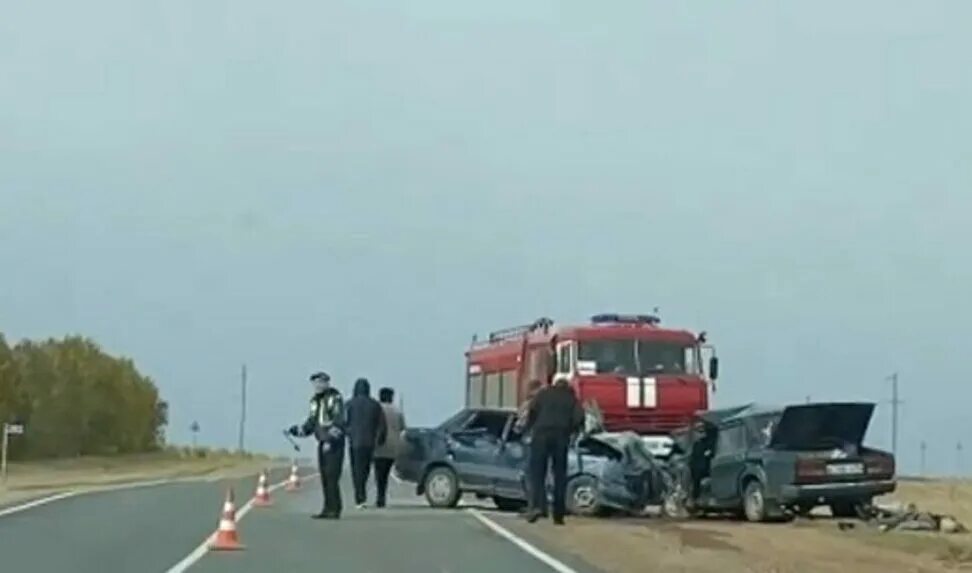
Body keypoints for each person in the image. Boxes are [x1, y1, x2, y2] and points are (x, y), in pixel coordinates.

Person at [522, 377, 584, 525]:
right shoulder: (571, 399)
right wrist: (572, 430)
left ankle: (537, 507)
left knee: (537, 473)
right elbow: (579, 418)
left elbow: (532, 411)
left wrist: (529, 428)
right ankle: (558, 514)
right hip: (561, 437)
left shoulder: (543, 394)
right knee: (560, 476)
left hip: (541, 435)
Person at [288, 371, 346, 519]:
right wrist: (298, 431)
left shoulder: (335, 398)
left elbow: (339, 421)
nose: (317, 386)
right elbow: (312, 423)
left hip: (334, 443)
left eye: (320, 382)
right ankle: (327, 508)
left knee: (332, 476)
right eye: (315, 383)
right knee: (325, 476)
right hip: (322, 441)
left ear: (327, 383)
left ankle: (335, 509)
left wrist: (329, 440)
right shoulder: (315, 401)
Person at [344, 377, 387, 508]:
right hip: (370, 443)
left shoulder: (349, 404)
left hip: (355, 442)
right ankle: (362, 494)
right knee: (366, 470)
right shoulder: (375, 405)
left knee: (356, 470)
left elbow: (342, 423)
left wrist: (349, 433)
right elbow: (382, 425)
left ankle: (359, 497)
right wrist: (379, 440)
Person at [514, 379, 547, 517]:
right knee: (541, 476)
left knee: (528, 476)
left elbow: (520, 424)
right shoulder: (547, 404)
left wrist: (517, 428)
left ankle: (532, 507)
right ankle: (541, 507)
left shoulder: (529, 405)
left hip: (530, 442)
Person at [373, 387, 406, 508]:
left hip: (379, 446)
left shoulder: (376, 410)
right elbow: (403, 428)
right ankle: (382, 497)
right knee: (386, 474)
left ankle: (380, 497)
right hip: (393, 447)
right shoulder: (397, 411)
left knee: (379, 474)